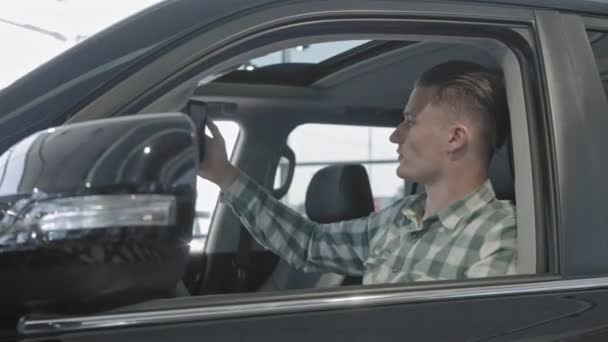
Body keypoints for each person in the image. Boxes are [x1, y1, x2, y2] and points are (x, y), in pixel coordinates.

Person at [199, 60, 516, 284]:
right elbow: (309, 245)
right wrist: (223, 174)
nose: (395, 135)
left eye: (410, 120)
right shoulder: (400, 218)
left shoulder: (500, 234)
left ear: (455, 138)